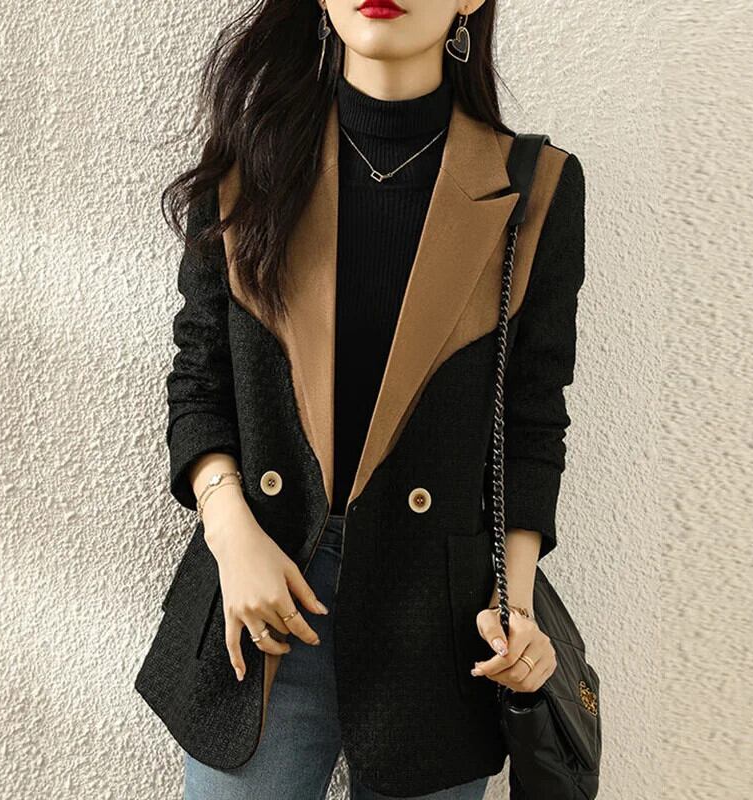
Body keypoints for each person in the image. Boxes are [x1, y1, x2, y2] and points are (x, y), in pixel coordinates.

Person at [134, 1, 586, 798]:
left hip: (442, 629)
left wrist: (513, 605)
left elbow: (531, 421)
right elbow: (199, 378)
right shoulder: (249, 164)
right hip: (264, 605)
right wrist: (231, 533)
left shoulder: (533, 187)